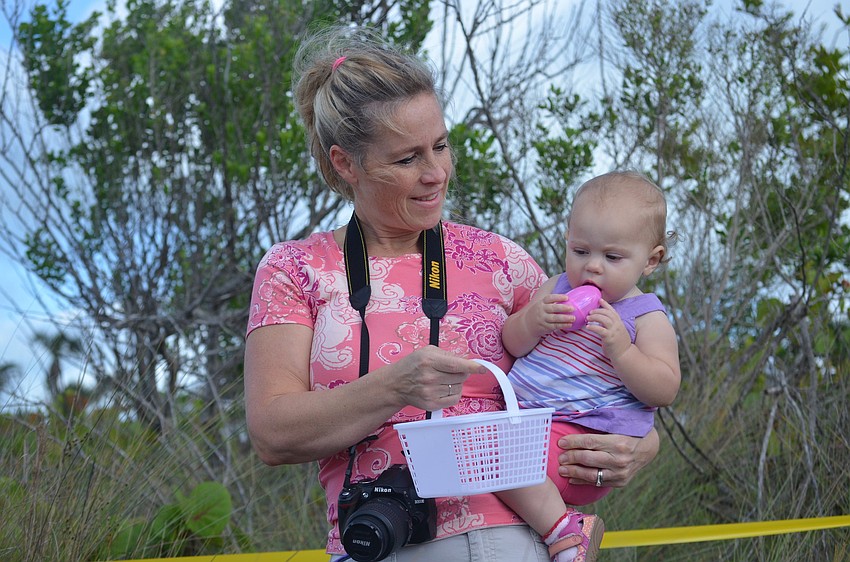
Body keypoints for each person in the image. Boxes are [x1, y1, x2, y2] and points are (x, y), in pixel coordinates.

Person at [243, 25, 661, 562]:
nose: (436, 173)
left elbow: (620, 366)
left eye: (440, 145)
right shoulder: (294, 269)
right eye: (407, 158)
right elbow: (272, 434)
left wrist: (638, 449)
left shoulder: (501, 260)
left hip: (522, 540)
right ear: (346, 162)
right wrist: (393, 388)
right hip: (382, 539)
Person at [495, 171, 682, 561]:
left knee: (498, 463)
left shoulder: (646, 318)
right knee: (486, 458)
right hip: (529, 422)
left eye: (612, 257)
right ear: (567, 239)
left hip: (583, 436)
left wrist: (621, 350)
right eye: (581, 251)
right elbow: (510, 342)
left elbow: (664, 388)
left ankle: (567, 532)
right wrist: (532, 321)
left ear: (651, 260)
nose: (592, 267)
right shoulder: (556, 288)